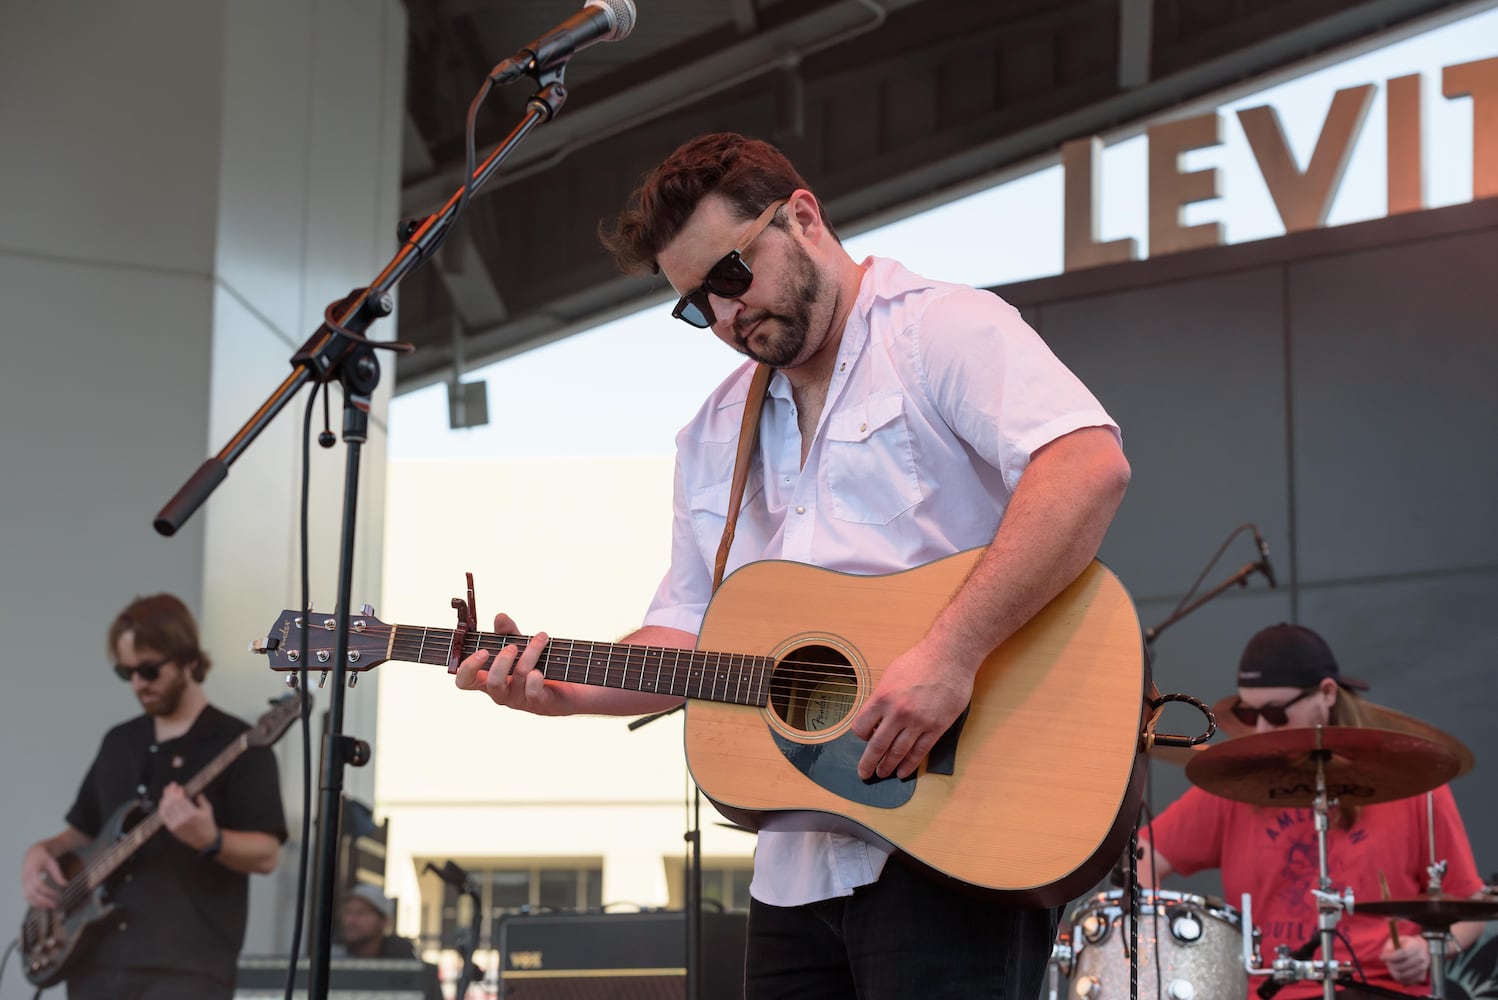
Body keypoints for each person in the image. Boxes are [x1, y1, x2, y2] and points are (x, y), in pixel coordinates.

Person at [453, 131, 1132, 998]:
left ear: (802, 218)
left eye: (730, 277)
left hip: (956, 827)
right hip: (794, 857)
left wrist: (950, 654)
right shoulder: (710, 434)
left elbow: (1084, 468)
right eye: (697, 306)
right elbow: (690, 631)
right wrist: (562, 690)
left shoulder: (940, 329)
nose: (726, 317)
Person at [1139, 623, 1487, 999]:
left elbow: (1469, 910)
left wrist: (1426, 950)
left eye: (1273, 713)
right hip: (1269, 990)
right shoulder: (1236, 786)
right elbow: (1141, 861)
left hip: (1381, 989)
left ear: (1326, 694)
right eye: (1248, 713)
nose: (1259, 730)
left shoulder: (1413, 784)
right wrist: (1181, 945)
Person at [18, 593, 288, 1000]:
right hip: (95, 963)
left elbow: (266, 853)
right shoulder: (119, 742)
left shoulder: (240, 744)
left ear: (189, 661)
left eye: (148, 670)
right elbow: (80, 832)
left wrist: (209, 839)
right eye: (126, 674)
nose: (139, 684)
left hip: (185, 970)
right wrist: (41, 850)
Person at [335, 884, 443, 1000]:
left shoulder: (415, 972)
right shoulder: (330, 960)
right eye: (347, 912)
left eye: (361, 913)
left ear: (385, 921)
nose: (351, 920)